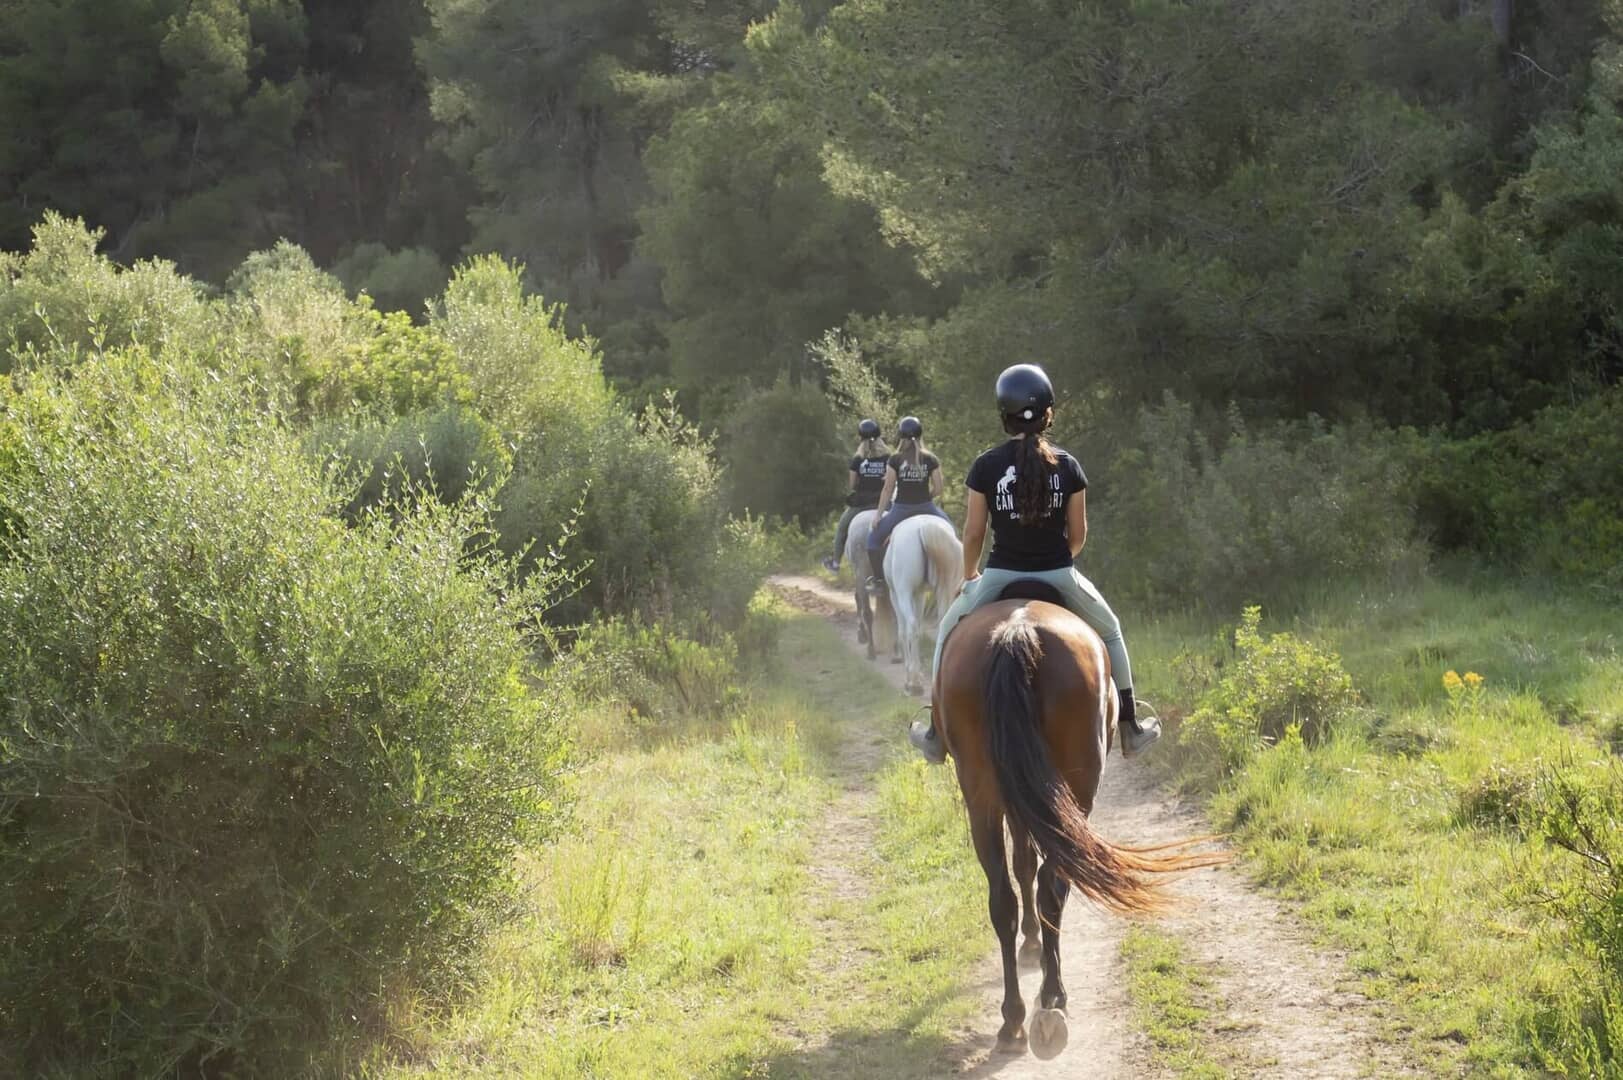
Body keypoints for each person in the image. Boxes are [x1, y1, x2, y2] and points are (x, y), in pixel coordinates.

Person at [909, 364, 1161, 761]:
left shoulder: (986, 466)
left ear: (1003, 417)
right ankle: (1130, 725)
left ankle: (937, 732)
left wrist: (970, 575)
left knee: (946, 630)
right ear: (1049, 414)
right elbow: (1077, 536)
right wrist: (1058, 563)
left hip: (998, 575)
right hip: (1059, 574)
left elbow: (974, 534)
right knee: (1110, 631)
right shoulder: (1069, 467)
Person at [864, 416, 952, 593]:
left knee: (873, 540)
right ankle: (957, 577)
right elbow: (939, 488)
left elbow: (888, 489)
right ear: (920, 435)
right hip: (927, 507)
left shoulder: (895, 459)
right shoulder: (931, 459)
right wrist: (926, 497)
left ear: (901, 437)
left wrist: (878, 515)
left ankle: (879, 581)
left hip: (901, 509)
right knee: (952, 532)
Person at [823, 420, 892, 574]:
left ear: (861, 438)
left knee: (841, 528)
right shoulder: (888, 458)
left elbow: (852, 484)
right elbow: (891, 482)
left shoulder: (857, 460)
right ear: (879, 437)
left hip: (861, 504)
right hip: (883, 504)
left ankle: (835, 563)